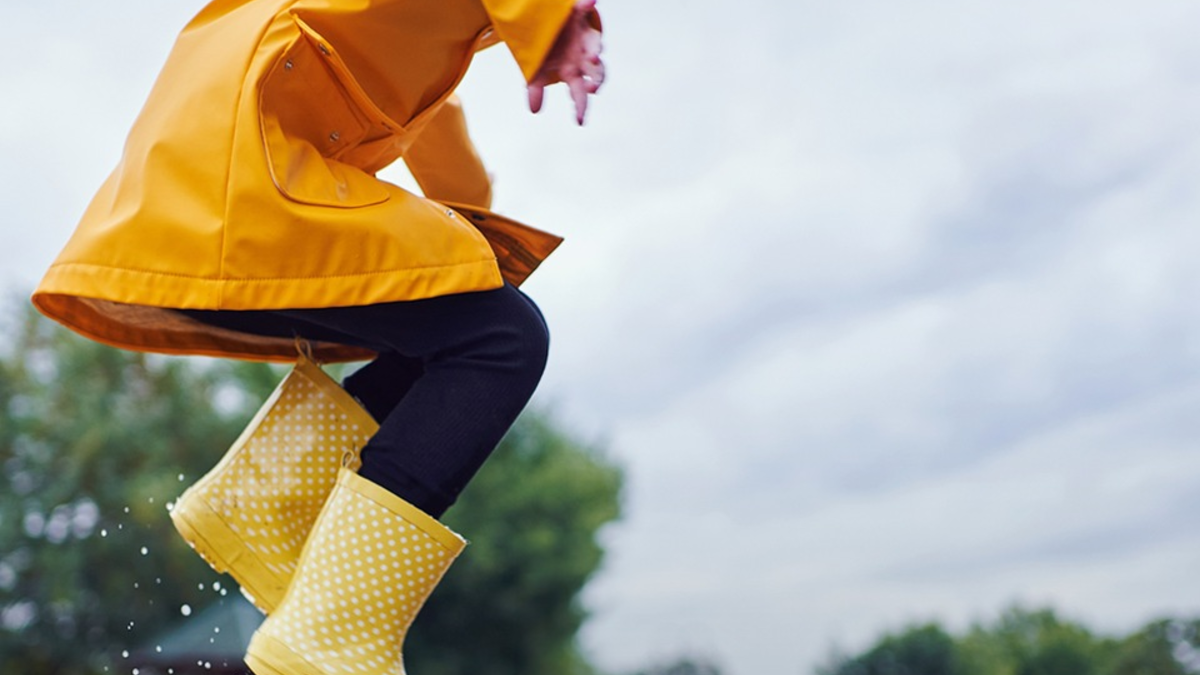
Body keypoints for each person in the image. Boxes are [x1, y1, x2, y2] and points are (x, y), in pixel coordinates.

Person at [31, 0, 604, 673]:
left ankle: (271, 506)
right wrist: (548, 20)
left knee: (463, 326)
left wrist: (471, 246)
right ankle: (326, 635)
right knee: (503, 340)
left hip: (223, 171)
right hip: (248, 168)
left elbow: (436, 125)